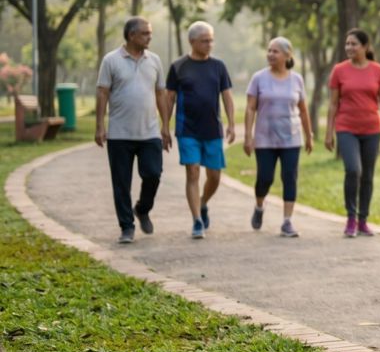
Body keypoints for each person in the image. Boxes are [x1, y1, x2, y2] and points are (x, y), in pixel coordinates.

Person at [96, 17, 170, 244]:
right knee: (121, 183)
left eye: (150, 33)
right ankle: (126, 227)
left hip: (149, 133)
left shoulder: (154, 60)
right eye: (145, 33)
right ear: (131, 35)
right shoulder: (111, 60)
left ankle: (143, 208)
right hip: (119, 134)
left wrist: (166, 126)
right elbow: (102, 93)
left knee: (153, 174)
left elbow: (160, 94)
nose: (150, 37)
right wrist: (100, 126)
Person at [165, 22, 235, 240]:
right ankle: (196, 220)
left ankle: (203, 203)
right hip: (187, 130)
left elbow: (227, 96)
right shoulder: (178, 67)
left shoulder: (218, 66)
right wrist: (164, 127)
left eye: (211, 39)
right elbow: (169, 98)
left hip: (213, 129)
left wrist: (232, 123)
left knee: (214, 175)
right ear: (192, 42)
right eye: (205, 40)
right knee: (193, 172)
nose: (209, 44)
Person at [325, 29, 380, 237]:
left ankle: (363, 220)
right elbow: (333, 104)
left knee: (368, 176)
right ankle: (351, 218)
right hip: (346, 128)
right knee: (353, 170)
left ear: (365, 47)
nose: (349, 48)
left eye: (353, 44)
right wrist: (329, 133)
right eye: (347, 44)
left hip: (372, 129)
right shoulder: (339, 70)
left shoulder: (378, 70)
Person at [244, 37, 313, 237]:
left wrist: (309, 135)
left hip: (291, 138)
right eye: (269, 50)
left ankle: (287, 221)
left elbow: (303, 110)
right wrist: (248, 136)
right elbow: (250, 108)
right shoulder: (259, 78)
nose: (270, 54)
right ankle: (259, 206)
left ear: (287, 55)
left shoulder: (297, 79)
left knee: (289, 177)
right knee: (265, 178)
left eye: (275, 51)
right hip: (265, 138)